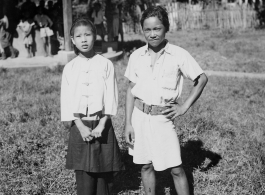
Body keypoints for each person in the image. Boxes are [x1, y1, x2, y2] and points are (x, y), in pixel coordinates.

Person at [124, 6, 208, 195]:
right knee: (145, 166)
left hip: (163, 118)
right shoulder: (136, 56)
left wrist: (184, 107)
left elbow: (201, 79)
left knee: (176, 168)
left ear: (166, 28)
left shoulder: (178, 54)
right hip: (139, 118)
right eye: (147, 29)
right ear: (142, 30)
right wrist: (128, 123)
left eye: (157, 29)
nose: (152, 34)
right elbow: (131, 90)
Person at [60, 17, 124, 195]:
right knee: (84, 173)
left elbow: (111, 96)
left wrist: (102, 124)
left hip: (102, 124)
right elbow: (67, 99)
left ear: (95, 36)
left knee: (104, 171)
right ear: (72, 40)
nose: (84, 39)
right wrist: (80, 126)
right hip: (80, 126)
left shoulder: (105, 64)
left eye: (88, 34)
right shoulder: (70, 68)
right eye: (79, 36)